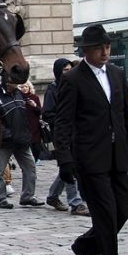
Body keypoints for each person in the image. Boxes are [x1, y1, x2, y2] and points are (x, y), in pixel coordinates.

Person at [54, 24, 128, 255]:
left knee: (122, 212)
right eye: (99, 47)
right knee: (107, 218)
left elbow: (127, 115)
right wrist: (64, 160)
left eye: (108, 46)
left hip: (118, 157)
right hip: (90, 159)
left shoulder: (117, 73)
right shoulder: (73, 79)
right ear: (86, 50)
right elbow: (63, 122)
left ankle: (85, 247)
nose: (105, 52)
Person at [42, 58, 89, 216]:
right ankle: (75, 203)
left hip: (76, 132)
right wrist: (64, 120)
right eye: (65, 70)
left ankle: (53, 196)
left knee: (68, 166)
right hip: (61, 134)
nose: (69, 72)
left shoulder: (75, 85)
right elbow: (47, 113)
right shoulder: (52, 89)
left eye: (70, 69)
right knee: (71, 165)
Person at [0, 76, 44, 209]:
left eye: (15, 83)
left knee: (30, 168)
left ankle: (27, 196)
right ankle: (1, 199)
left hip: (22, 139)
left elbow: (26, 115)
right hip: (5, 141)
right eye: (11, 83)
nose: (13, 85)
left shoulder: (19, 93)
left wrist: (26, 134)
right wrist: (7, 135)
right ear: (5, 82)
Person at [19, 81, 43, 162]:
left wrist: (34, 105)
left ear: (29, 87)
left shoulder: (35, 97)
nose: (24, 88)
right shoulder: (18, 98)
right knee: (26, 147)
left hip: (34, 127)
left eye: (26, 86)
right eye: (22, 87)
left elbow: (40, 111)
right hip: (23, 126)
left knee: (36, 147)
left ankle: (36, 160)